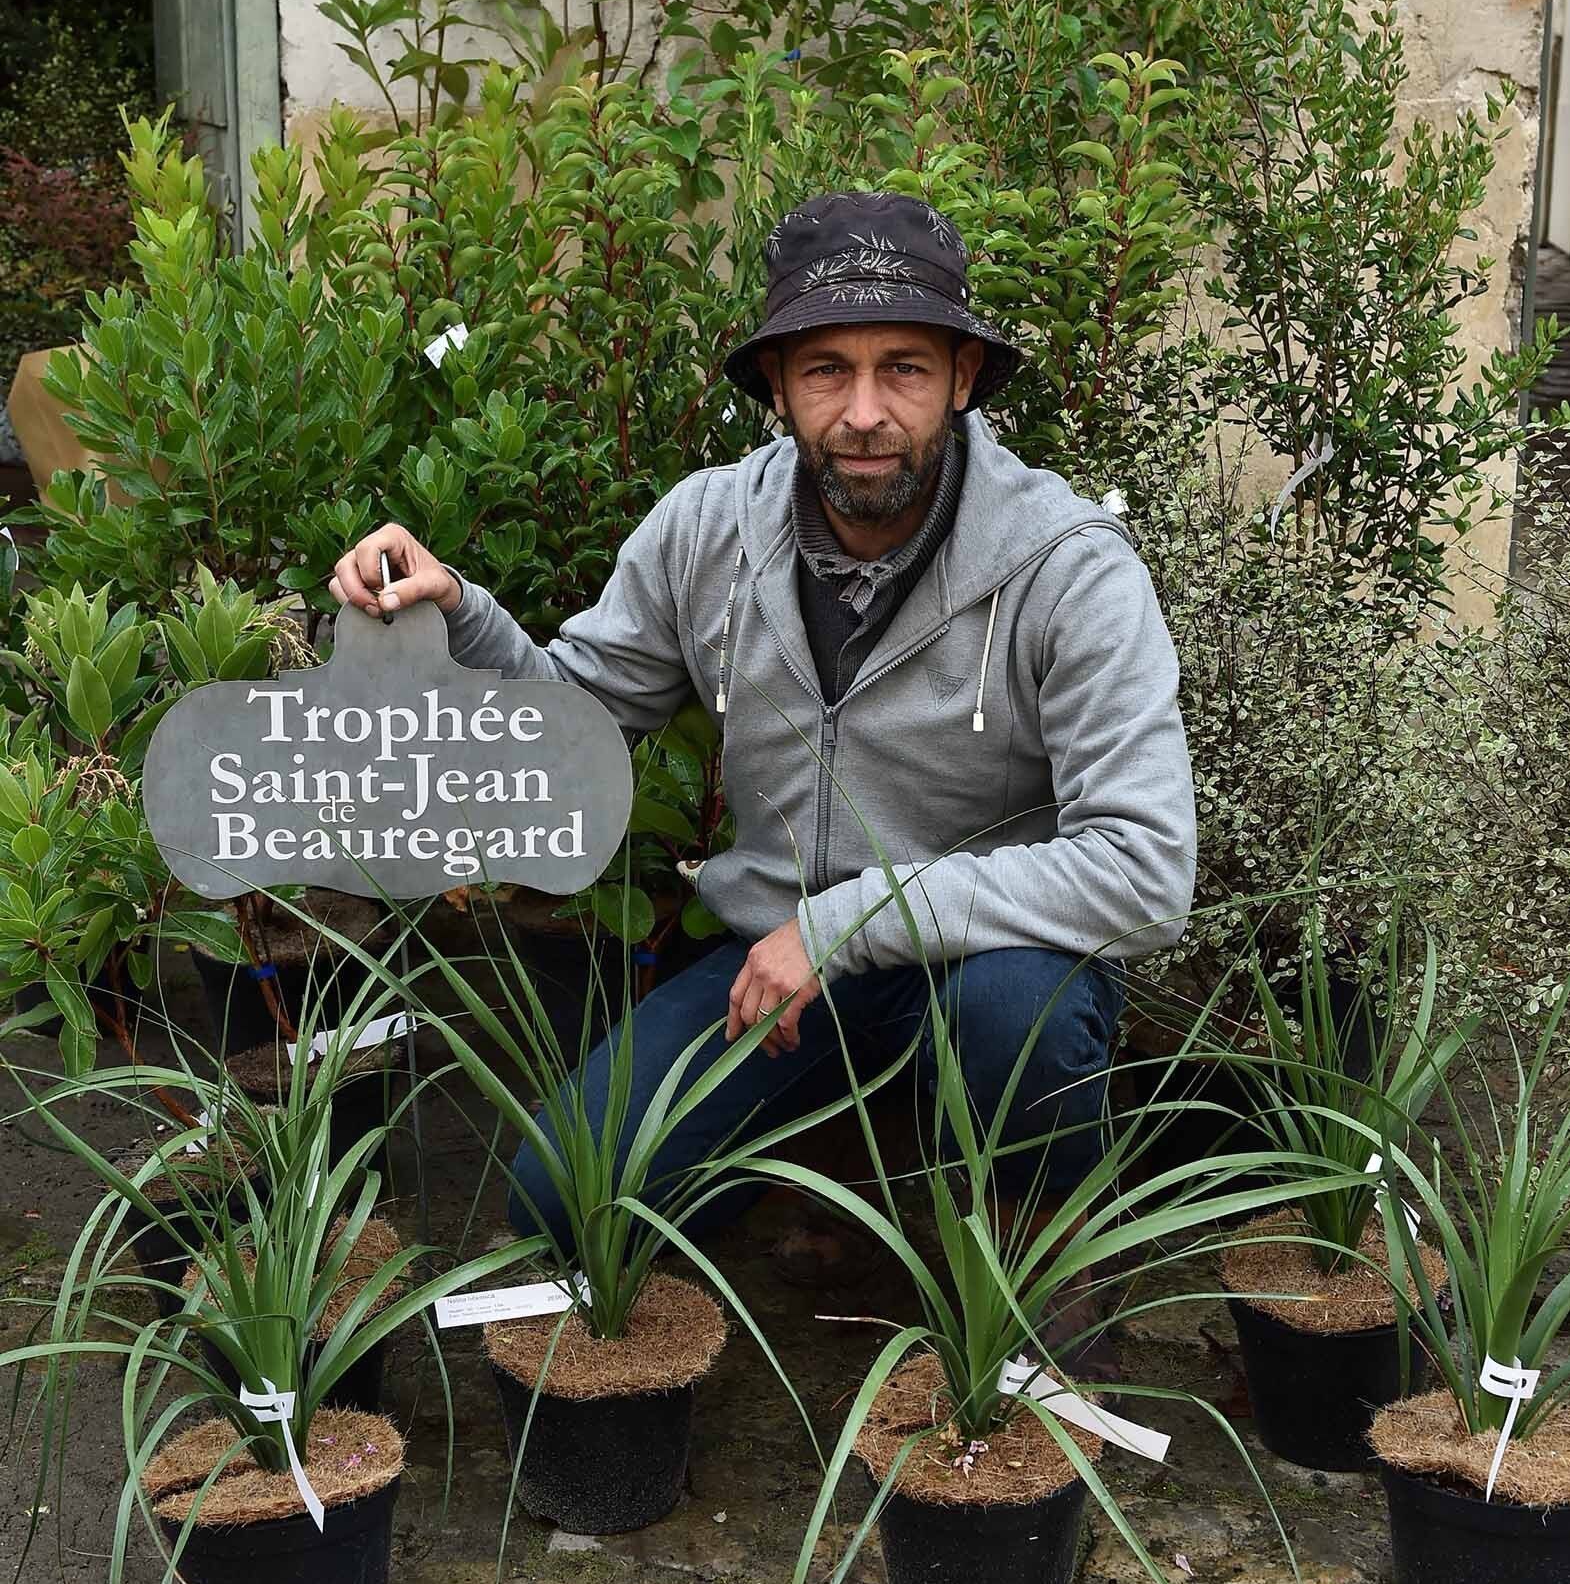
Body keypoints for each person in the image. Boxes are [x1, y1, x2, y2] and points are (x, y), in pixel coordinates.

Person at [331, 190, 1196, 1292]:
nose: (866, 411)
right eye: (827, 369)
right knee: (562, 1200)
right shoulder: (705, 527)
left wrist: (845, 925)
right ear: (778, 387)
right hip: (777, 974)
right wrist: (458, 613)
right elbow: (573, 722)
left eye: (906, 369)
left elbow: (1146, 869)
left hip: (984, 960)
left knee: (1011, 1018)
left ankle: (1040, 1272)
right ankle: (802, 1150)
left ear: (963, 381)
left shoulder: (1069, 568)